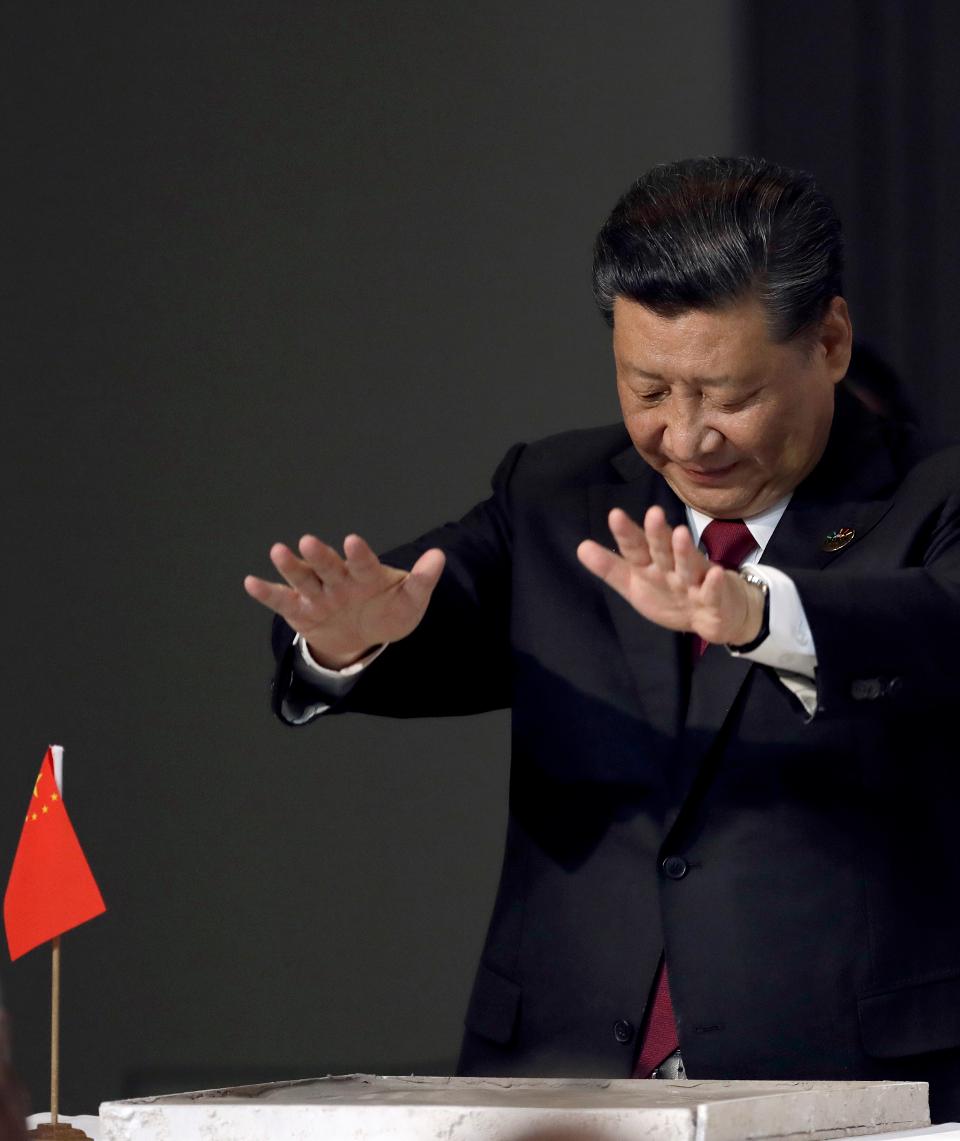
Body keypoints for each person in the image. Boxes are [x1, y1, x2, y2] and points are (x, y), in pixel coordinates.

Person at [245, 156, 960, 1121]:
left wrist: (761, 616)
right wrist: (348, 641)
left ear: (829, 340)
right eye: (649, 388)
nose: (687, 437)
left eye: (727, 394)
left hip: (846, 1088)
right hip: (561, 1083)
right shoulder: (557, 494)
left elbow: (937, 629)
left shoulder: (933, 497)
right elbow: (427, 609)